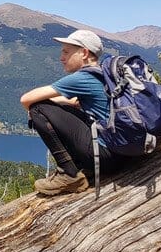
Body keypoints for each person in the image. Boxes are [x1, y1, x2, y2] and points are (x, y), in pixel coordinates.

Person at [20, 29, 121, 195]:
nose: (61, 58)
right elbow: (73, 102)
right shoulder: (104, 74)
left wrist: (35, 111)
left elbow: (26, 99)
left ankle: (70, 174)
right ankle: (78, 168)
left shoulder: (82, 78)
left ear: (84, 53)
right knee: (56, 107)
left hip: (106, 157)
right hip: (120, 154)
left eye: (66, 52)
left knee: (38, 109)